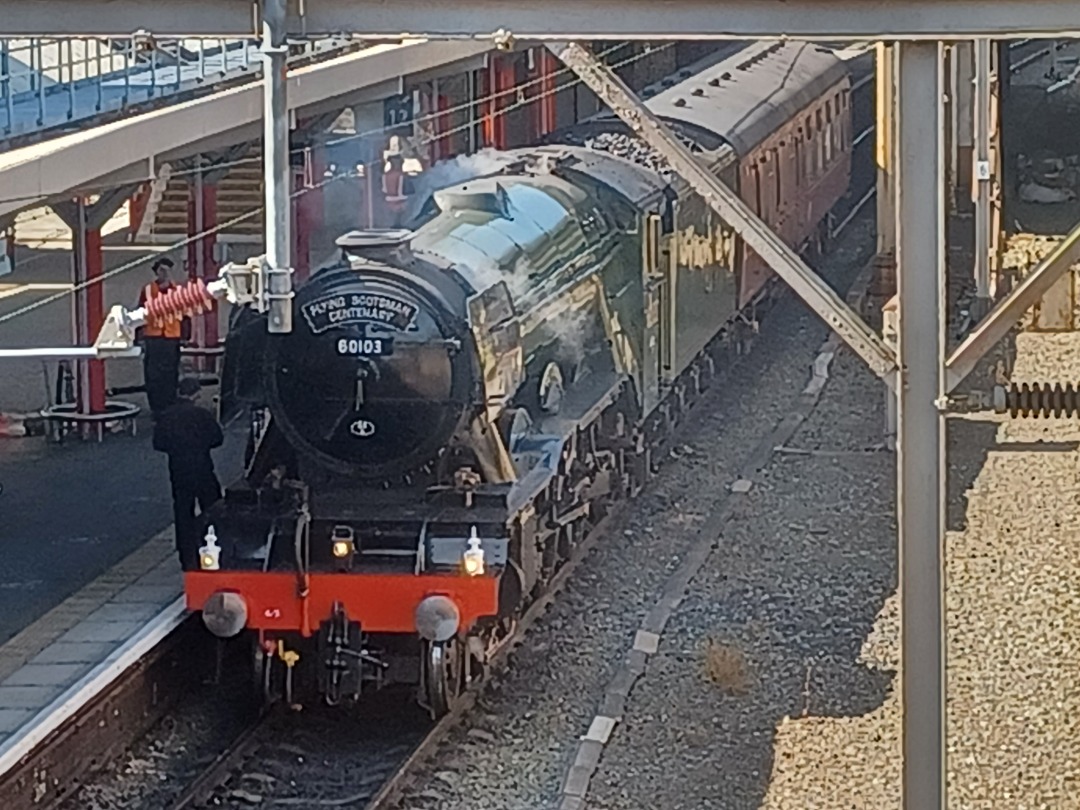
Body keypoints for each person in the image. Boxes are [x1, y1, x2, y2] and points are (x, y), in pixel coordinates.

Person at [153, 377, 223, 570]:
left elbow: (158, 443)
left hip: (178, 470)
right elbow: (218, 439)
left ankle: (187, 555)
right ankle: (214, 546)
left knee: (183, 512)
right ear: (197, 393)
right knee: (212, 508)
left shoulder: (166, 416)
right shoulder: (202, 415)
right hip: (202, 468)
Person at [137, 257, 187, 419]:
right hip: (154, 338)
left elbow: (186, 315)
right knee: (153, 376)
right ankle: (156, 408)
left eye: (167, 270)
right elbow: (140, 314)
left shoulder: (178, 291)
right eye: (161, 270)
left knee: (170, 374)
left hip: (172, 337)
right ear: (156, 272)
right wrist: (139, 338)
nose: (165, 274)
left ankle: (169, 406)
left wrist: (186, 336)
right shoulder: (148, 290)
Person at [382, 148, 408, 228]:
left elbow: (384, 190)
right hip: (398, 202)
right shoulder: (400, 175)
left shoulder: (385, 175)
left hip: (390, 201)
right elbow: (402, 190)